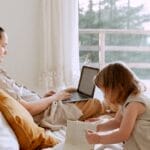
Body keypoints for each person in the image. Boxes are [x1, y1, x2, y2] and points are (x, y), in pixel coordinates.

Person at [0, 26, 105, 127]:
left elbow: (23, 99)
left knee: (71, 90)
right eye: (4, 46)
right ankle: (114, 111)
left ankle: (111, 108)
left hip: (45, 108)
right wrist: (53, 98)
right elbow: (28, 109)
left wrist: (45, 98)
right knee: (95, 103)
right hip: (46, 115)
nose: (6, 51)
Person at [85, 61, 150, 150]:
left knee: (136, 127)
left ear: (116, 88)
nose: (104, 96)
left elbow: (123, 134)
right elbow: (117, 122)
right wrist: (96, 127)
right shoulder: (127, 100)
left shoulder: (134, 104)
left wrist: (99, 139)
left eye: (105, 92)